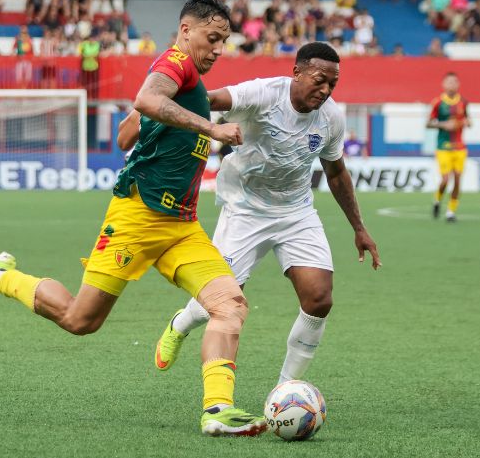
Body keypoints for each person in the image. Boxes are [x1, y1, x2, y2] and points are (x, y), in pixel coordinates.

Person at [0, 0, 267, 437]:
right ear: (186, 30)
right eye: (212, 38)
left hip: (181, 227)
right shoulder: (175, 63)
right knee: (82, 320)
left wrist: (153, 118)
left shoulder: (183, 78)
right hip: (137, 217)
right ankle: (0, 275)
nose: (218, 49)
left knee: (230, 305)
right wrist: (210, 126)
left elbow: (126, 134)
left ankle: (218, 410)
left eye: (224, 41)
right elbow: (147, 100)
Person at [118, 42, 381, 387]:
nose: (326, 90)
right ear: (297, 72)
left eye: (332, 83)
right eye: (319, 80)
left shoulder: (330, 116)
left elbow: (335, 172)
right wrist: (151, 108)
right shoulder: (263, 94)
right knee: (221, 298)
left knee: (319, 298)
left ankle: (285, 390)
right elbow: (206, 100)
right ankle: (180, 323)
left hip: (295, 212)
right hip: (244, 209)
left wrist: (359, 228)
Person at [427, 72, 470, 223]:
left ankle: (451, 212)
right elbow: (428, 123)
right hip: (443, 147)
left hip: (459, 148)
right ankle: (437, 200)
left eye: (454, 82)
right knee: (445, 180)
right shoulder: (437, 102)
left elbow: (467, 118)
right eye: (449, 82)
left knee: (457, 179)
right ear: (444, 85)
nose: (452, 85)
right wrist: (443, 124)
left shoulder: (463, 102)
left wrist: (467, 122)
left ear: (458, 85)